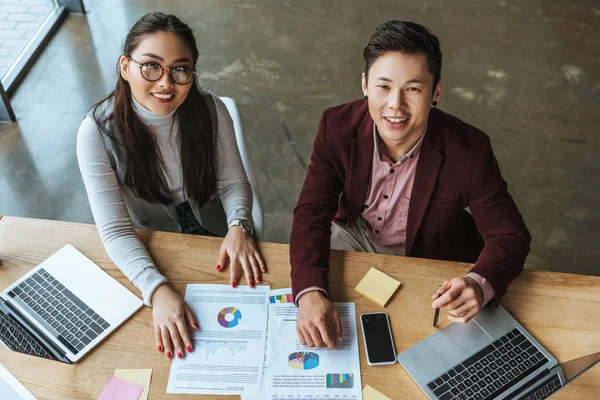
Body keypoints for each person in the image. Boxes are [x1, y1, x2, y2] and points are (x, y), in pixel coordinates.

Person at [290, 21, 531, 349]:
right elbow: (312, 213)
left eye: (413, 89)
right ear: (364, 85)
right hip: (354, 235)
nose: (395, 105)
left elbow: (511, 236)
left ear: (436, 92)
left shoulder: (470, 150)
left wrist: (478, 283)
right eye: (384, 87)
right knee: (338, 334)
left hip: (428, 257)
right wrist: (309, 293)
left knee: (424, 346)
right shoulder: (335, 126)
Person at [77, 12, 265, 359]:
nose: (166, 83)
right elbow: (117, 231)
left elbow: (233, 183)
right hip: (155, 246)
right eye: (151, 66)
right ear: (125, 67)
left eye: (180, 69)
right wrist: (157, 290)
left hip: (220, 236)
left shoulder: (210, 109)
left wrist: (239, 224)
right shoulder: (97, 133)